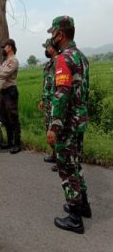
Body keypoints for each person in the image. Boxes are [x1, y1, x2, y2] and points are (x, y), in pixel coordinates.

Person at [46, 16, 91, 234]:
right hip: (80, 120)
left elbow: (61, 95)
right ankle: (83, 206)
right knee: (76, 163)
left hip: (68, 124)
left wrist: (54, 127)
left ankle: (74, 217)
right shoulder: (82, 57)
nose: (51, 39)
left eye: (51, 34)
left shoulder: (64, 59)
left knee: (67, 167)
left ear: (60, 34)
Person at [38, 39, 59, 168]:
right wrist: (42, 98)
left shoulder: (60, 62)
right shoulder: (49, 64)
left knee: (55, 128)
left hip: (56, 101)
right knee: (48, 128)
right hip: (48, 101)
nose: (46, 49)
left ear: (52, 47)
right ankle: (55, 154)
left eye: (47, 47)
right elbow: (46, 83)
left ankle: (61, 159)